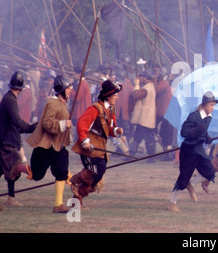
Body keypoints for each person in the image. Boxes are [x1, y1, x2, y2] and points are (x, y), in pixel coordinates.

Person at [70, 79, 123, 208]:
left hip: (100, 148)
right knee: (95, 170)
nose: (117, 96)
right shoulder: (95, 108)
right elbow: (82, 124)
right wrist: (84, 141)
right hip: (89, 148)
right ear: (108, 95)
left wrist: (116, 130)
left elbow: (109, 130)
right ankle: (75, 180)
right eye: (115, 94)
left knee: (98, 174)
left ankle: (78, 198)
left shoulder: (111, 109)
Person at [25, 75, 74, 213]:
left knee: (61, 171)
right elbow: (47, 123)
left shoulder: (62, 103)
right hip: (47, 146)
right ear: (62, 90)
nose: (70, 90)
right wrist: (64, 124)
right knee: (37, 175)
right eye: (68, 88)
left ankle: (58, 205)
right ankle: (17, 168)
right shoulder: (53, 103)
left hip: (58, 146)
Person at [167, 91, 218, 212]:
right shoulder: (194, 116)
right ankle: (172, 202)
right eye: (211, 105)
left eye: (213, 105)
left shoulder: (209, 117)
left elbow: (203, 131)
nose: (212, 108)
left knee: (210, 172)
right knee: (183, 178)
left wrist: (207, 136)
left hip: (199, 150)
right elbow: (184, 132)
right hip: (189, 150)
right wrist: (196, 130)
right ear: (204, 105)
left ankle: (192, 183)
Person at [0, 71, 37, 207]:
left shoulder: (9, 98)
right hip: (7, 141)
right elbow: (16, 120)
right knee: (14, 169)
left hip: (8, 139)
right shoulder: (10, 99)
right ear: (21, 88)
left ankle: (11, 197)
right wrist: (30, 128)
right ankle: (11, 198)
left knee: (8, 170)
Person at [129, 70, 157, 160]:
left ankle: (151, 157)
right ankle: (131, 154)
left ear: (146, 79)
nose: (139, 79)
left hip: (146, 117)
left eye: (141, 77)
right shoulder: (147, 87)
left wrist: (136, 85)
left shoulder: (147, 88)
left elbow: (135, 95)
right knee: (137, 136)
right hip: (144, 117)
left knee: (149, 137)